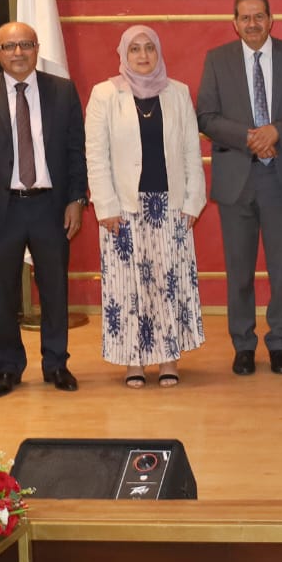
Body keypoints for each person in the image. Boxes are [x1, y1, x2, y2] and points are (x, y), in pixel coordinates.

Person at [0, 22, 88, 398]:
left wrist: (76, 200)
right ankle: (8, 367)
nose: (18, 52)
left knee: (54, 289)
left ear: (36, 48)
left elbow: (76, 150)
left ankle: (56, 364)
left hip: (51, 206)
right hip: (2, 210)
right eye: (9, 46)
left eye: (25, 44)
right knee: (2, 292)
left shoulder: (62, 91)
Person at [196, 0, 282, 376]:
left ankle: (280, 342)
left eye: (259, 16)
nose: (252, 24)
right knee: (239, 270)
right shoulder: (217, 60)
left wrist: (276, 131)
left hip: (280, 176)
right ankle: (243, 344)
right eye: (245, 18)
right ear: (235, 23)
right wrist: (248, 136)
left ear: (271, 20)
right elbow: (206, 116)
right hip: (237, 178)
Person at [85, 25, 207, 386]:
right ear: (123, 54)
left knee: (168, 284)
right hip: (123, 209)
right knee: (128, 287)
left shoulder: (178, 93)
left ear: (159, 52)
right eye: (135, 49)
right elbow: (96, 155)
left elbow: (191, 150)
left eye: (149, 48)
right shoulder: (105, 94)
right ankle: (133, 361)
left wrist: (193, 201)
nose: (143, 55)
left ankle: (169, 359)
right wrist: (105, 205)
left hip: (171, 207)